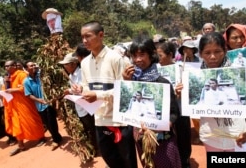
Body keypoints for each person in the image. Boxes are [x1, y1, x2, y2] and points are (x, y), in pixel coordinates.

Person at [72, 21, 137, 168]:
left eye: (88, 36)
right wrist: (80, 90)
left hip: (120, 121)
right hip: (100, 120)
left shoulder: (116, 58)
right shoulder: (85, 63)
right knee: (110, 159)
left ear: (101, 35)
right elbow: (86, 86)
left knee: (127, 161)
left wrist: (98, 96)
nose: (84, 41)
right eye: (82, 37)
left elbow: (125, 90)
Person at [122, 34, 181, 168]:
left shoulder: (162, 83)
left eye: (142, 55)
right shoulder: (131, 81)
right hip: (141, 137)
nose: (137, 60)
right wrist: (127, 84)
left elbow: (174, 114)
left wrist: (157, 127)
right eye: (134, 55)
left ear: (151, 54)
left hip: (163, 140)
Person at [197, 32, 246, 151]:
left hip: (237, 134)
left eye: (217, 51)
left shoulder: (239, 74)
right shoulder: (196, 77)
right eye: (207, 53)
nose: (213, 57)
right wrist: (181, 94)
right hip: (210, 135)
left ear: (224, 51)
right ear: (200, 54)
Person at [157, 42, 192, 168]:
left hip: (181, 108)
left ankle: (185, 160)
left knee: (183, 134)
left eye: (160, 55)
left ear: (170, 55)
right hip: (166, 111)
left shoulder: (182, 68)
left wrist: (183, 88)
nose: (158, 59)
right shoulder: (154, 70)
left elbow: (191, 88)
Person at [2, 60, 45, 156]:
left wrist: (14, 90)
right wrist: (6, 83)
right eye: (5, 66)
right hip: (13, 105)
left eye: (8, 66)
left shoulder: (22, 75)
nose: (6, 68)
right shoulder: (8, 77)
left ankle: (41, 137)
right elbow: (5, 90)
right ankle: (20, 145)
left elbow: (26, 88)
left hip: (24, 104)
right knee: (16, 124)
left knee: (32, 121)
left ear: (14, 66)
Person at [59, 52, 98, 154]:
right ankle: (94, 146)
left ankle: (98, 148)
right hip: (80, 106)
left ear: (73, 64)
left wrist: (70, 91)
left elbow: (83, 89)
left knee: (93, 128)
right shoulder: (71, 76)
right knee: (88, 128)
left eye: (66, 64)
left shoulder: (81, 73)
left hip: (87, 106)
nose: (65, 67)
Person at [23, 60, 63, 151]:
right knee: (47, 124)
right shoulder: (26, 82)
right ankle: (57, 136)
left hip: (48, 103)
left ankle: (56, 140)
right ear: (26, 69)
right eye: (31, 66)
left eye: (34, 65)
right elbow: (29, 95)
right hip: (40, 106)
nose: (33, 67)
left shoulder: (41, 75)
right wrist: (38, 100)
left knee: (52, 122)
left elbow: (48, 71)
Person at [0, 75, 17, 144]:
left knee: (6, 121)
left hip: (3, 103)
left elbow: (6, 89)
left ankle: (12, 137)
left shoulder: (1, 79)